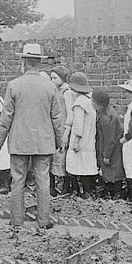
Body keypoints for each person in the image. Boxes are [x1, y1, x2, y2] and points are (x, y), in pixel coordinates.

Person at [0, 43, 64, 231]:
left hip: (19, 141)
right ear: (39, 63)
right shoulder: (50, 86)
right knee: (43, 180)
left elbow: (6, 116)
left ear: (24, 62)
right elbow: (57, 117)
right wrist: (60, 140)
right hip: (44, 142)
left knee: (18, 180)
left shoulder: (14, 85)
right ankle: (44, 221)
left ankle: (17, 221)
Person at [66, 72, 99, 197]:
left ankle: (81, 192)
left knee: (78, 166)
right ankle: (89, 191)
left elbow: (78, 125)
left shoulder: (79, 102)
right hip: (90, 137)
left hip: (81, 139)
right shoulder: (90, 100)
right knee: (87, 166)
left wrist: (75, 142)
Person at [92, 89, 125, 198]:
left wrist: (107, 155)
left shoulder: (107, 118)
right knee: (109, 171)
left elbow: (109, 139)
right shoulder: (103, 113)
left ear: (98, 103)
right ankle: (110, 192)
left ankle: (116, 194)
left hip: (112, 148)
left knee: (113, 172)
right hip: (108, 146)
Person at [50, 66, 76, 196]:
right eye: (51, 78)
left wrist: (66, 131)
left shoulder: (68, 92)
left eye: (55, 78)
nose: (52, 80)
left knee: (63, 157)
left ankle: (66, 186)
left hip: (64, 128)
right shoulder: (55, 91)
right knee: (55, 157)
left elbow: (70, 114)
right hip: (56, 128)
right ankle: (54, 187)